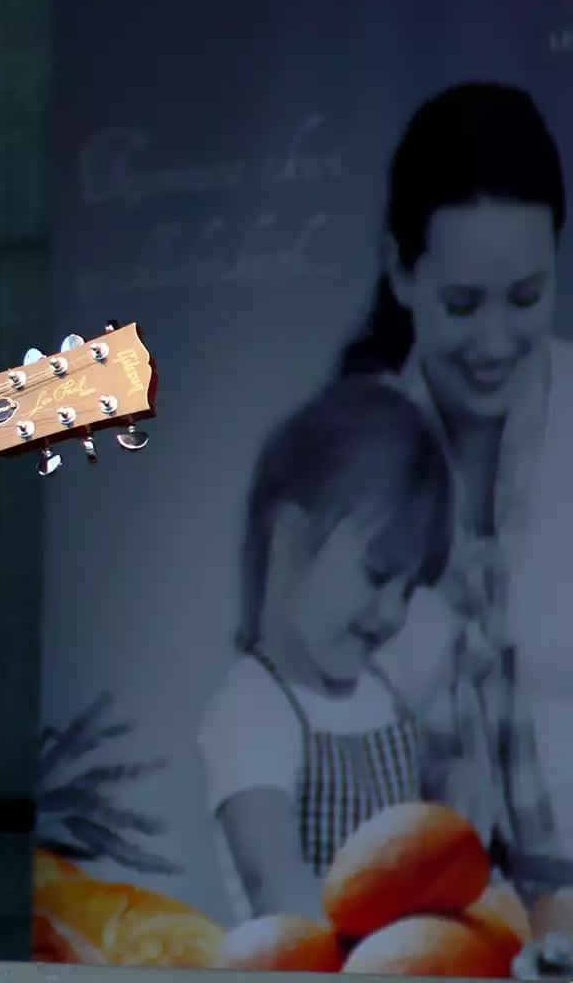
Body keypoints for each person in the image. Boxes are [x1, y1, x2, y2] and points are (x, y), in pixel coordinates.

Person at [344, 82, 571, 891]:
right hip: (412, 919)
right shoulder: (345, 468)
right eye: (464, 305)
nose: (498, 341)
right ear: (399, 271)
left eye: (527, 297)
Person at [197, 381, 454, 923]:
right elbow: (276, 887)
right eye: (378, 575)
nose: (393, 613)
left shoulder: (383, 688)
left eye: (408, 590)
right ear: (289, 536)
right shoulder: (253, 708)